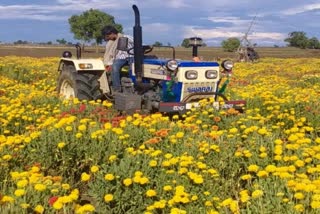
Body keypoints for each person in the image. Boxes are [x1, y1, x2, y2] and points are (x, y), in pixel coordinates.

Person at [102, 25, 134, 92]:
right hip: (121, 58)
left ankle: (134, 85)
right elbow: (113, 55)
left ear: (112, 33)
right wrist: (109, 63)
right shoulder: (111, 43)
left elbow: (138, 43)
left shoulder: (126, 37)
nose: (108, 38)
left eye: (108, 36)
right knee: (115, 67)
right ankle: (117, 88)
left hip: (131, 57)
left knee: (134, 69)